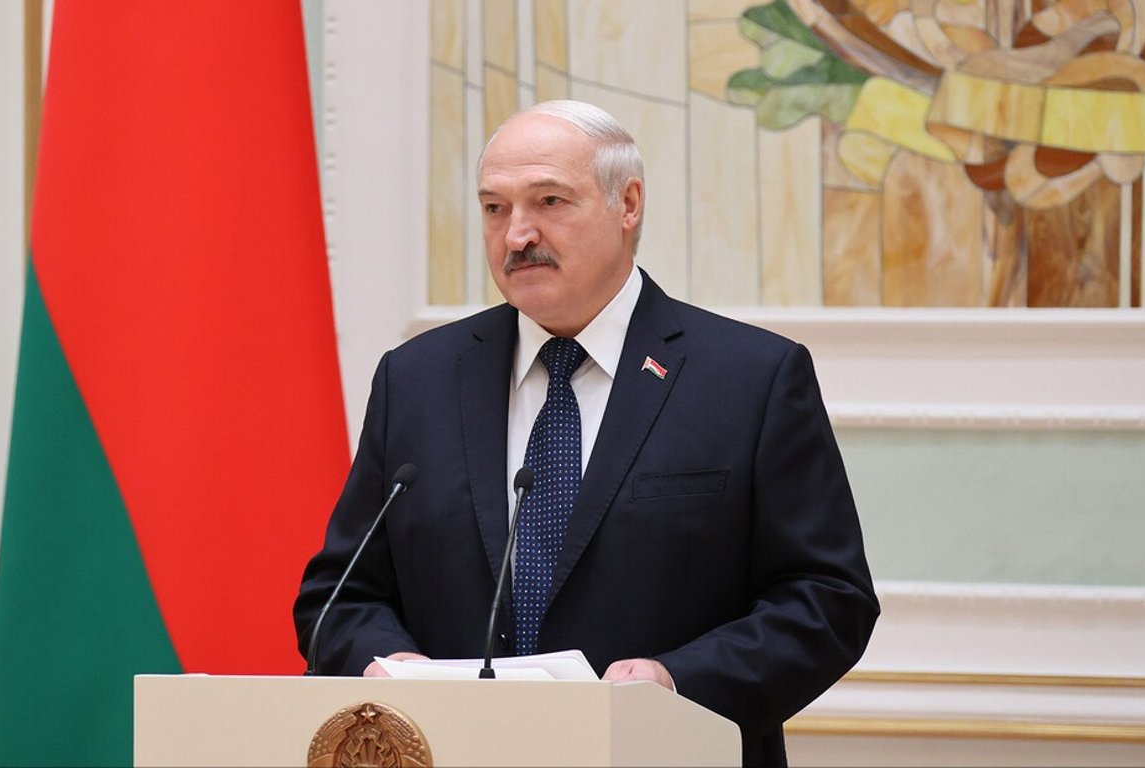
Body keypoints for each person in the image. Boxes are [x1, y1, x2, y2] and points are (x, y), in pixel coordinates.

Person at [294, 99, 878, 767]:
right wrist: (385, 662)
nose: (517, 235)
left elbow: (827, 600)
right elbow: (340, 595)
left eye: (549, 201)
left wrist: (675, 681)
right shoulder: (417, 379)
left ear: (627, 204)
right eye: (495, 208)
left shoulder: (751, 379)